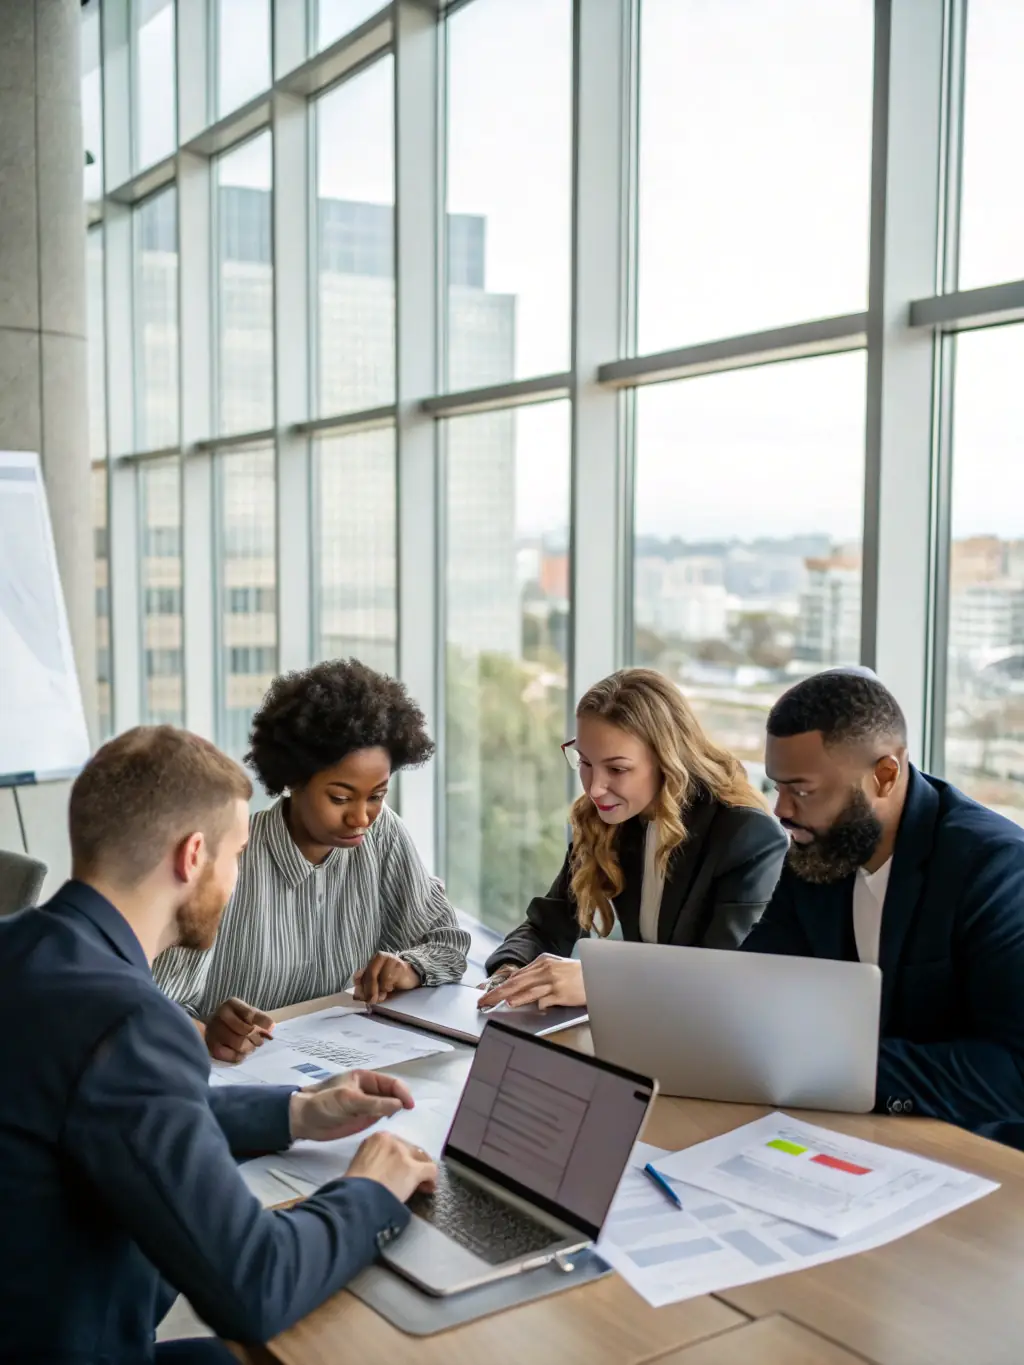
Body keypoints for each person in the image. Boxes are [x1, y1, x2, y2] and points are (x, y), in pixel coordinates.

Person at [0, 726, 438, 1365]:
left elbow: (101, 1108)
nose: (236, 878)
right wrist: (370, 1189)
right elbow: (256, 1286)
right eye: (236, 857)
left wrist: (293, 1112)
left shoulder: (22, 949)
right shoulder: (131, 1022)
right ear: (192, 856)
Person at [743, 668, 1024, 1146]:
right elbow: (752, 982)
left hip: (973, 1153)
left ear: (885, 775)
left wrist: (842, 1064)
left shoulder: (993, 867)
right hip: (846, 1132)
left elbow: (1013, 1070)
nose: (781, 810)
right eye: (777, 786)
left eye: (802, 790)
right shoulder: (818, 853)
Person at [155, 660, 470, 1061]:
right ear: (293, 779)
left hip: (336, 1062)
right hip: (228, 1075)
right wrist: (203, 1031)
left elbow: (446, 942)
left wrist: (410, 967)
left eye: (376, 795)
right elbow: (153, 1006)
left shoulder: (382, 834)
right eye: (340, 798)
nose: (361, 817)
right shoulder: (229, 859)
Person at [478, 668, 788, 1011]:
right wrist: (512, 971)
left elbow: (724, 977)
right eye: (585, 762)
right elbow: (548, 924)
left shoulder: (747, 837)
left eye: (617, 769)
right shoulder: (611, 819)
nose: (594, 788)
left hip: (712, 1040)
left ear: (668, 761)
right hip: (647, 1028)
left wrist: (601, 981)